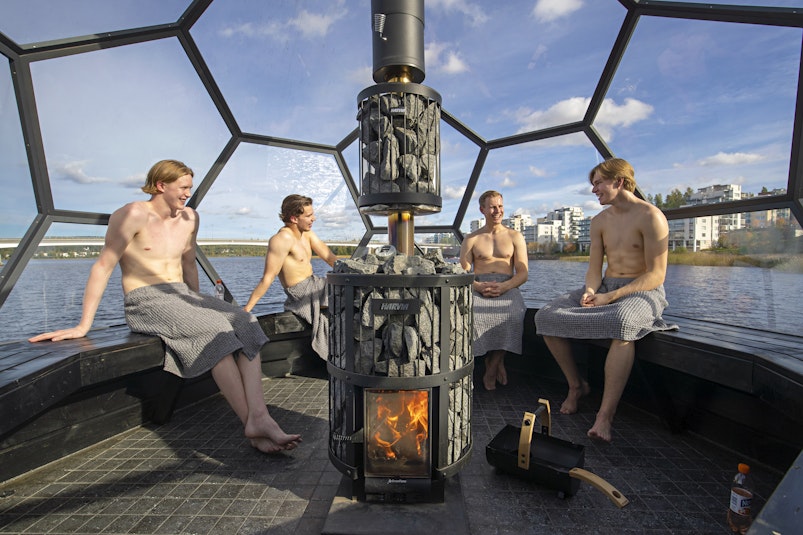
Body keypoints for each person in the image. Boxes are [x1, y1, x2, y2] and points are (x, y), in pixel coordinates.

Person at [28, 159, 301, 454]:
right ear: (161, 185)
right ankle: (251, 423)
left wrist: (198, 304)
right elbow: (103, 267)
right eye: (183, 187)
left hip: (183, 295)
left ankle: (259, 417)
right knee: (217, 332)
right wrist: (84, 325)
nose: (187, 194)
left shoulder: (190, 218)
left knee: (246, 321)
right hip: (145, 299)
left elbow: (188, 264)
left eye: (190, 188)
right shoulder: (132, 215)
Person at [535, 158, 677, 443]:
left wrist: (610, 297)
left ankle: (604, 416)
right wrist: (590, 291)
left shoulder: (651, 216)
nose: (594, 190)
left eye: (598, 182)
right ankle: (576, 386)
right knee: (545, 316)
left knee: (622, 321)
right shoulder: (599, 221)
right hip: (605, 287)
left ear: (619, 181)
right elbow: (594, 268)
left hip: (642, 291)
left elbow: (656, 275)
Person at [243, 194, 337, 360]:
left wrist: (356, 272)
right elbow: (268, 278)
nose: (313, 218)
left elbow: (330, 259)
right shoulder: (281, 239)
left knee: (353, 291)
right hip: (301, 292)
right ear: (294, 218)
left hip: (315, 283)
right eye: (308, 216)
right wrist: (246, 310)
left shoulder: (307, 234)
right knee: (347, 294)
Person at [460, 190, 529, 391]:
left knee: (514, 314)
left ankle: (493, 366)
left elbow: (523, 273)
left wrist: (505, 286)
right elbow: (463, 274)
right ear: (482, 209)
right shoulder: (471, 239)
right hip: (479, 286)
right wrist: (479, 286)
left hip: (507, 285)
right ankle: (493, 363)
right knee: (471, 314)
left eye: (500, 206)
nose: (497, 211)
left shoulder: (515, 236)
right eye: (492, 207)